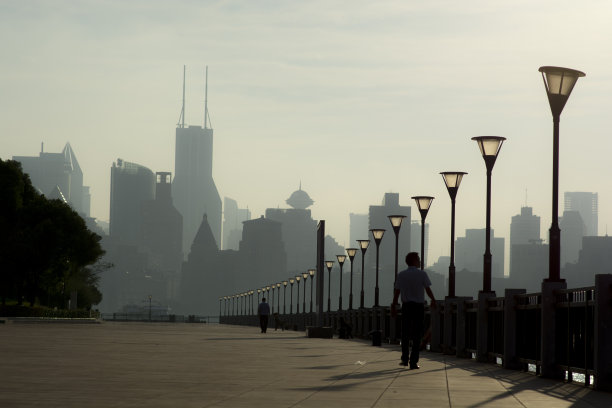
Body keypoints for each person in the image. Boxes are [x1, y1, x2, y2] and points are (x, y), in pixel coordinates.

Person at [391, 252, 437, 369]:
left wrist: (394, 306)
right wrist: (433, 300)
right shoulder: (422, 274)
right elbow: (427, 289)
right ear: (415, 261)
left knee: (405, 333)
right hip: (418, 307)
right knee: (417, 334)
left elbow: (397, 292)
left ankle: (405, 359)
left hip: (406, 306)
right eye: (419, 259)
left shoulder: (401, 275)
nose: (420, 261)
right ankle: (413, 362)